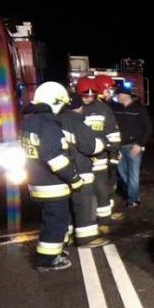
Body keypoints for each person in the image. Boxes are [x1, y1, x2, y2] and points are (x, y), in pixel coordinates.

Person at [20, 82, 84, 271]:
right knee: (56, 222)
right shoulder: (48, 125)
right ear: (55, 101)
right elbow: (55, 159)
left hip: (36, 181)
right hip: (51, 185)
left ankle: (52, 252)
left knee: (50, 220)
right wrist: (74, 178)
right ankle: (47, 260)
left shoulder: (29, 121)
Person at [58, 94, 110, 248]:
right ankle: (86, 238)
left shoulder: (57, 121)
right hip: (80, 169)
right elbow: (90, 147)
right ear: (79, 107)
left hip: (64, 170)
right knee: (85, 204)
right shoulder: (78, 123)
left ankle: (68, 236)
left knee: (68, 206)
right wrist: (103, 142)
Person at [78, 77, 121, 233]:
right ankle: (84, 222)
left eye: (91, 95)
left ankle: (104, 221)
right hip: (79, 161)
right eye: (85, 95)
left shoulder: (104, 109)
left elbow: (113, 134)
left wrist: (114, 155)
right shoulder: (73, 109)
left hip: (100, 159)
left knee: (102, 190)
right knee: (83, 193)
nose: (88, 98)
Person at [112, 84, 152, 207]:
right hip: (119, 147)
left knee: (133, 175)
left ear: (124, 95)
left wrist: (140, 144)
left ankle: (132, 200)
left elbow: (148, 128)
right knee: (123, 173)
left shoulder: (139, 109)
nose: (116, 97)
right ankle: (134, 194)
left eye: (117, 95)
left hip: (133, 147)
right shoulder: (115, 109)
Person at [94, 75, 120, 192]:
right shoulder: (104, 109)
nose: (111, 93)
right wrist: (114, 153)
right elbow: (112, 135)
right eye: (109, 90)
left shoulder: (86, 107)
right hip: (102, 157)